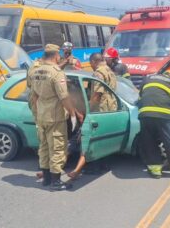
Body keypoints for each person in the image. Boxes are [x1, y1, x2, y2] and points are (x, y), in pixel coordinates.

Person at [31, 44, 83, 190]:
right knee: (57, 148)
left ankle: (46, 179)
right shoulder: (56, 72)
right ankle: (56, 182)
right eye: (59, 55)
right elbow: (64, 97)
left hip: (41, 115)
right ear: (55, 56)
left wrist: (37, 112)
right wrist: (73, 113)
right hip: (55, 116)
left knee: (44, 147)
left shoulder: (36, 71)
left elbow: (34, 96)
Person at [68, 52, 117, 179]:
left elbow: (96, 95)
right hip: (111, 108)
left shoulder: (99, 73)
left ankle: (94, 167)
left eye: (91, 64)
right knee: (104, 138)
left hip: (100, 109)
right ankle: (104, 164)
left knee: (93, 138)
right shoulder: (110, 71)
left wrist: (86, 110)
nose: (92, 66)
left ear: (94, 62)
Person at [138, 72, 170, 179]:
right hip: (164, 115)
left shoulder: (147, 78)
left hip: (145, 114)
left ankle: (155, 171)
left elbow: (141, 95)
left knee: (149, 141)